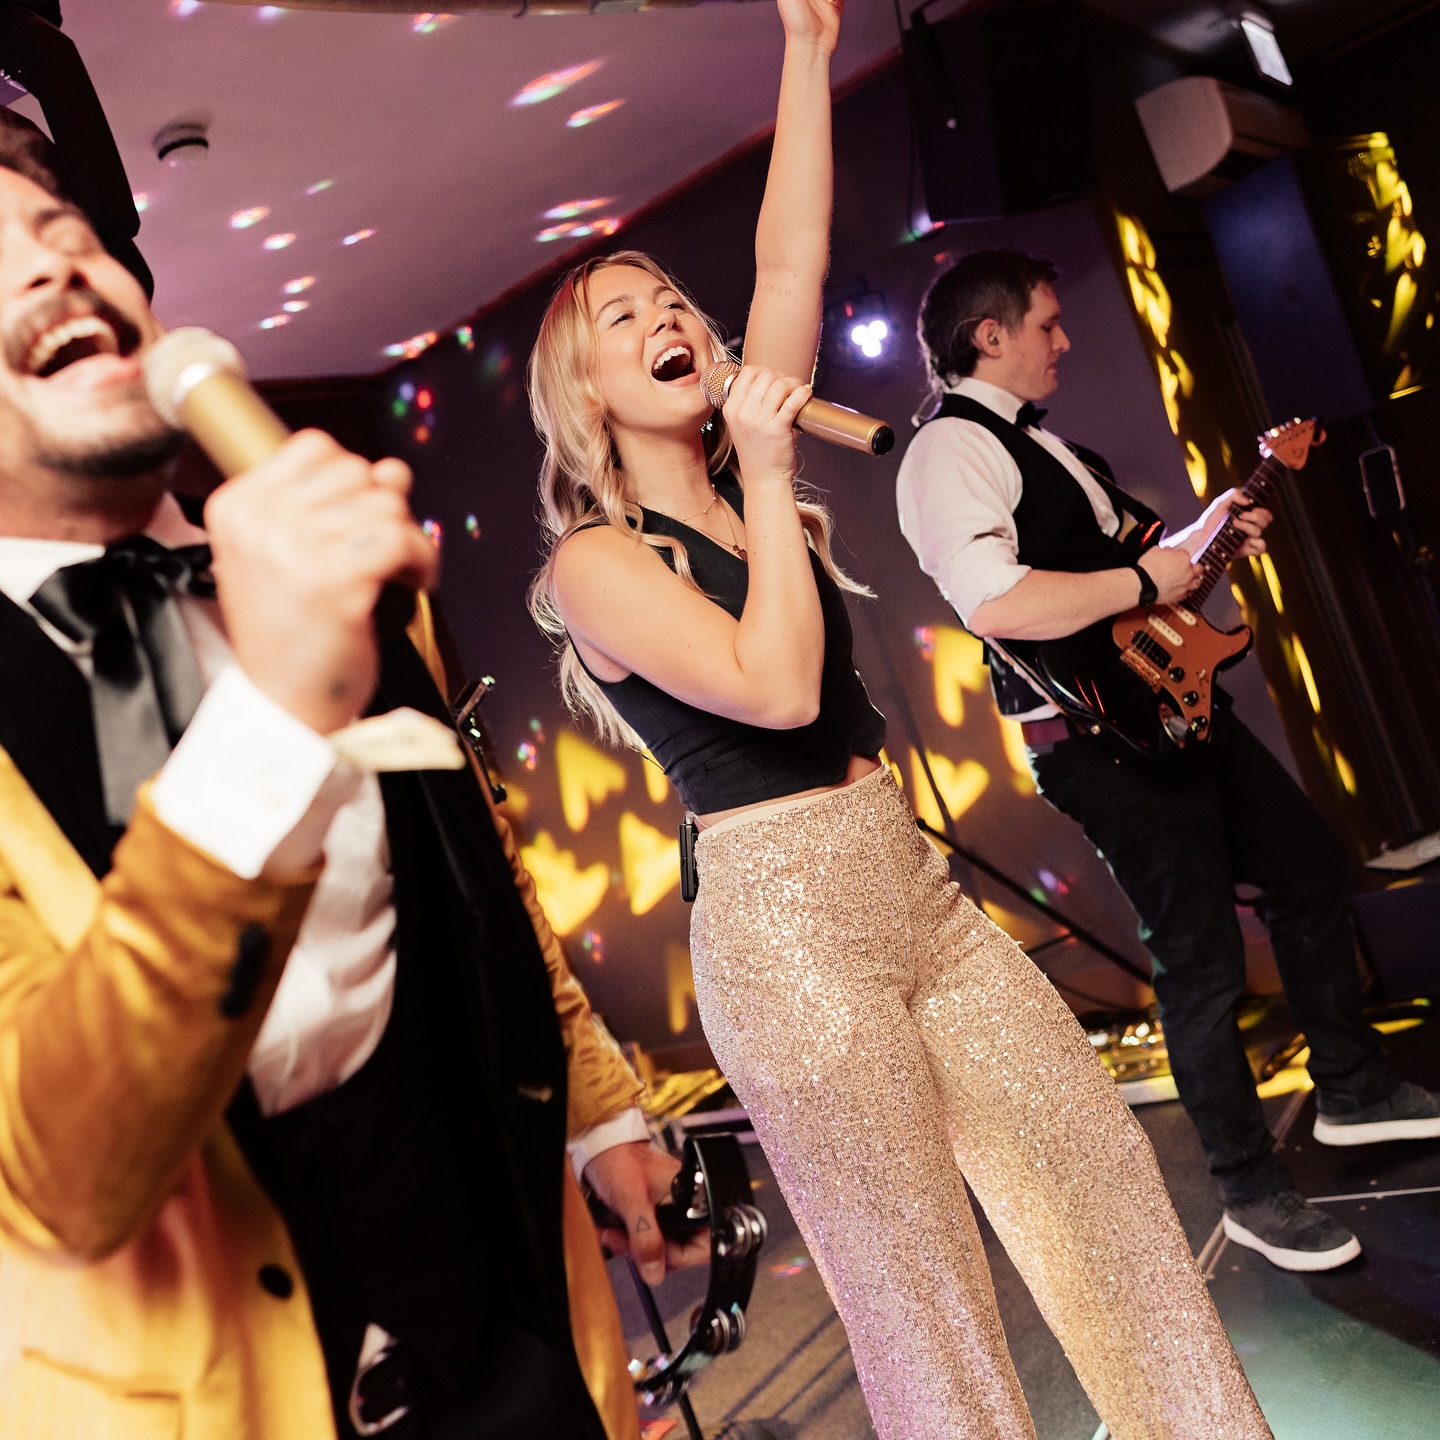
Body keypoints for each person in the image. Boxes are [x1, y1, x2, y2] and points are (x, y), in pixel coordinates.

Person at [526, 5, 1272, 1437]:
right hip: (786, 935)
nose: (671, 319)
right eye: (627, 319)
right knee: (926, 1300)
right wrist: (756, 461)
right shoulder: (595, 565)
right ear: (586, 392)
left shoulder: (752, 482)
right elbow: (777, 690)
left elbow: (787, 258)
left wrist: (806, 47)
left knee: (1100, 1186)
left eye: (674, 301)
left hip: (913, 895)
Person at [0, 108, 696, 1440]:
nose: (45, 270)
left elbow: (480, 871)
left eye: (63, 231)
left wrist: (602, 1114)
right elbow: (63, 1176)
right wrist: (267, 716)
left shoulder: (337, 586)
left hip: (515, 1349)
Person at [896, 247, 1440, 1275]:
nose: (1063, 341)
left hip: (1171, 712)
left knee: (1310, 868)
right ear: (989, 337)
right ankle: (1248, 1190)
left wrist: (1211, 535)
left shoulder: (1051, 452)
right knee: (1201, 961)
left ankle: (1355, 1091)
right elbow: (999, 603)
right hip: (1105, 745)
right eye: (1047, 325)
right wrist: (1151, 572)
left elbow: (1145, 571)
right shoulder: (946, 454)